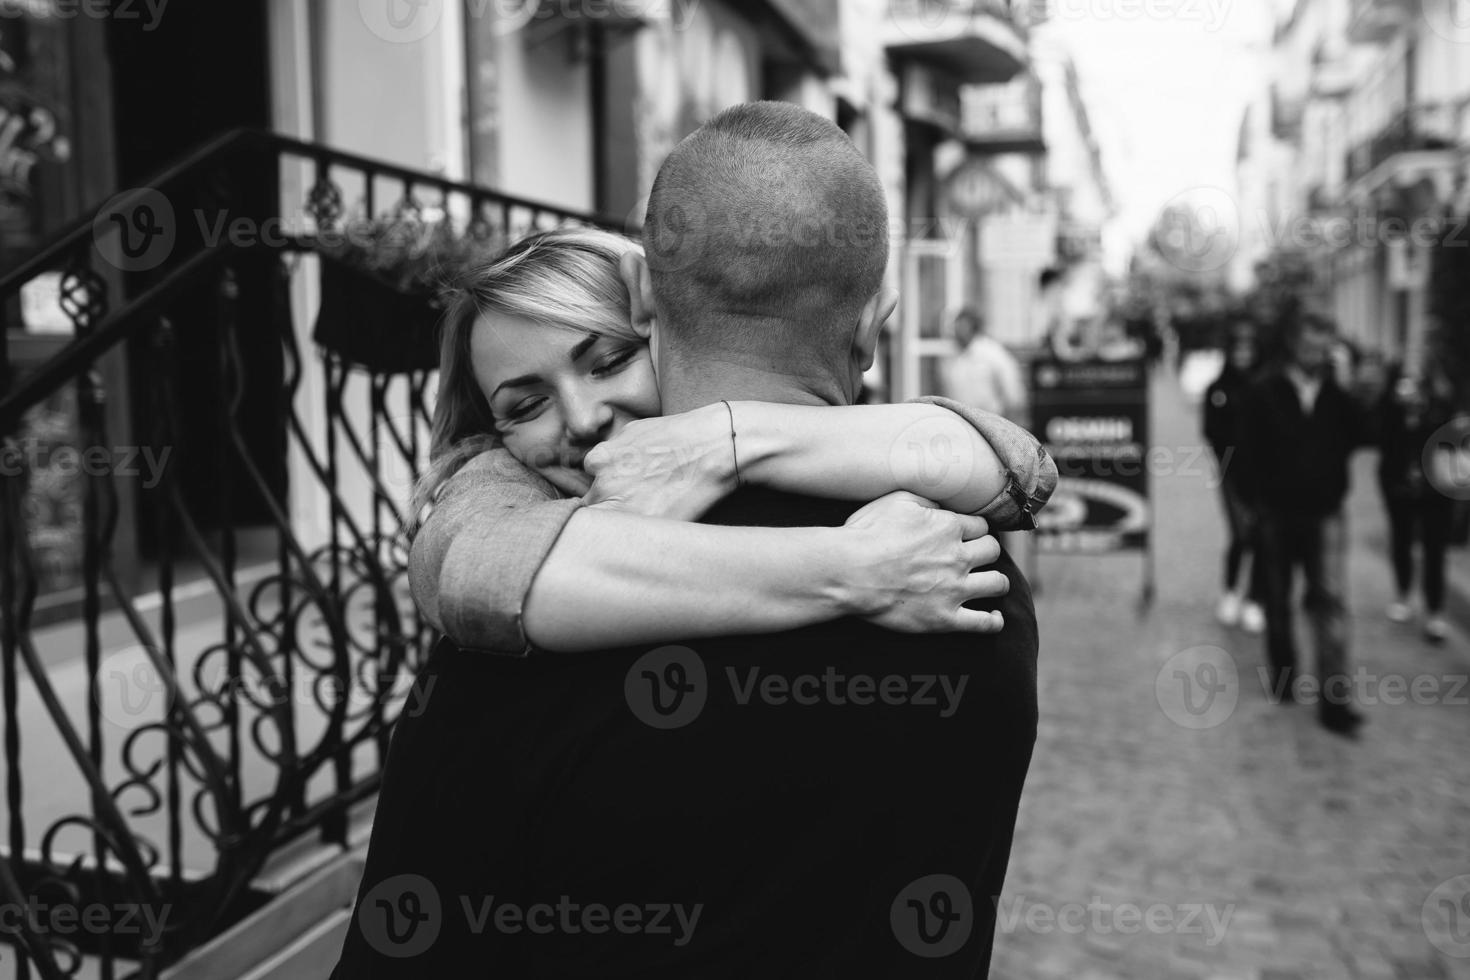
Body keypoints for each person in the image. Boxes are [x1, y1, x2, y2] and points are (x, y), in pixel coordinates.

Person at [333, 103, 1045, 976]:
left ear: (646, 304)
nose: (587, 420)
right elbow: (470, 558)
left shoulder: (504, 663)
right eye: (523, 405)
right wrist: (845, 567)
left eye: (605, 360)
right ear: (875, 322)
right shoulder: (969, 573)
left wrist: (733, 437)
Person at [1236, 307, 1372, 736]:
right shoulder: (1263, 391)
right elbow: (1244, 455)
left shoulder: (1337, 395)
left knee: (1330, 601)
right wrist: (1252, 507)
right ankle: (1284, 676)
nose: (1317, 352)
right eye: (1311, 343)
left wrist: (1349, 387)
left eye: (1324, 344)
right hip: (1276, 514)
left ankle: (1335, 702)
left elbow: (1367, 434)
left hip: (1326, 514)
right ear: (1294, 342)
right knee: (1278, 598)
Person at [1378, 357, 1458, 642]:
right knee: (1401, 538)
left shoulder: (1442, 409)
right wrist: (1402, 412)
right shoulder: (1393, 410)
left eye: (1416, 382)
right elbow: (1381, 440)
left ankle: (1435, 610)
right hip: (1399, 486)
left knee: (1434, 548)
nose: (1409, 389)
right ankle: (1402, 593)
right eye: (1405, 381)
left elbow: (1452, 444)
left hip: (1435, 490)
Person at [1203, 317, 1264, 634]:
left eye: (1248, 348)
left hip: (1265, 475)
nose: (1243, 354)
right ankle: (1230, 593)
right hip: (1231, 474)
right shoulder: (1218, 388)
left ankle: (1255, 598)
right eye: (1238, 348)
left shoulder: (1265, 386)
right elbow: (1211, 431)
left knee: (1262, 536)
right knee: (1242, 535)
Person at [941, 306, 1027, 421]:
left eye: (962, 325)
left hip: (991, 421)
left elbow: (1013, 392)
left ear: (973, 326)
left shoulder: (992, 352)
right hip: (961, 422)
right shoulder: (951, 357)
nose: (957, 330)